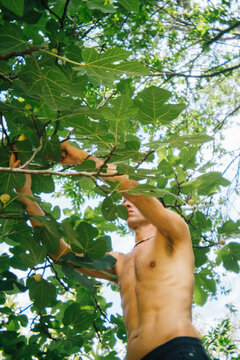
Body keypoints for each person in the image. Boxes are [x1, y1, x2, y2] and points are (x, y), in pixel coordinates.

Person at [11, 142, 211, 360]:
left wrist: (82, 158)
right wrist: (25, 195)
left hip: (178, 350)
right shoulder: (119, 262)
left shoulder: (173, 235)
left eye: (130, 201)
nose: (126, 204)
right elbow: (62, 255)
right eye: (124, 201)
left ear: (155, 207)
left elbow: (134, 191)